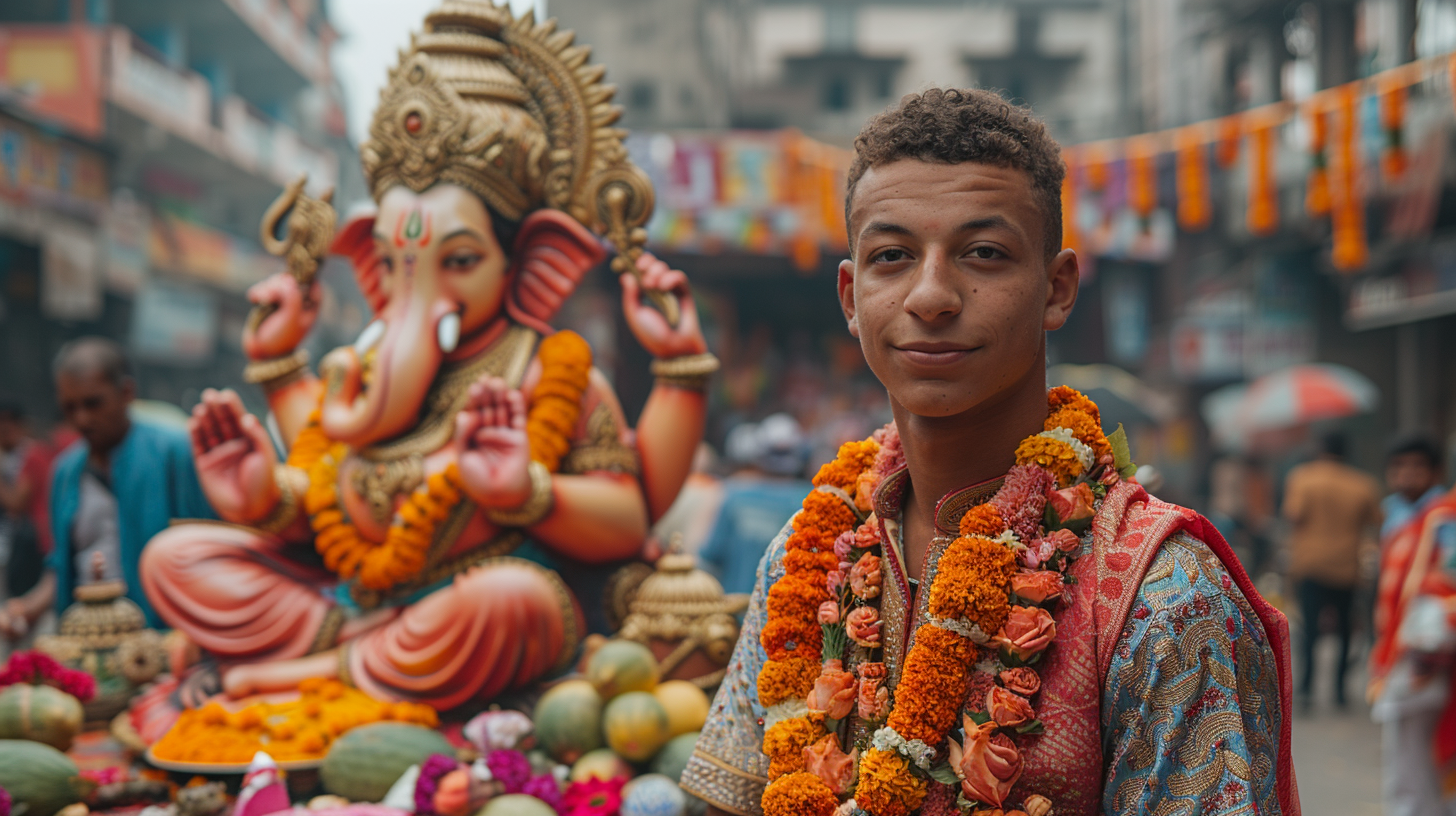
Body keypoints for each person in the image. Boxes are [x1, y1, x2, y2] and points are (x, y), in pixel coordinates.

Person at [680, 89, 1298, 816]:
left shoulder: (1163, 598)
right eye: (892, 256)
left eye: (984, 253)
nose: (933, 295)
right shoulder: (806, 557)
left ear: (1056, 288)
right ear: (851, 297)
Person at [0, 338, 214, 639]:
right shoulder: (65, 471)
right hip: (87, 643)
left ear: (126, 392)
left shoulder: (174, 452)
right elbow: (61, 566)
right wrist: (25, 609)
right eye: (69, 408)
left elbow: (210, 551)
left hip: (163, 640)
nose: (82, 419)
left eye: (93, 403)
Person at [1369, 483, 1456, 815]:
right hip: (1423, 655)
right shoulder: (1434, 519)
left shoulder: (1439, 519)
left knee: (1413, 757)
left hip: (1427, 655)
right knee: (1414, 753)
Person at [1282, 431, 1382, 709]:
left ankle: (1307, 688)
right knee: (1347, 630)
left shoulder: (1302, 478)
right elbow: (1376, 521)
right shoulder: (1363, 483)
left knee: (1310, 629)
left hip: (1310, 563)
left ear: (1320, 449)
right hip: (1347, 566)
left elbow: (1294, 515)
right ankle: (1339, 690)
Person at [700, 415, 813, 594]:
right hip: (789, 614)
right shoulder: (811, 500)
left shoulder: (734, 494)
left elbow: (711, 555)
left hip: (735, 611)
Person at [1381, 435, 1445, 542]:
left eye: (1418, 465)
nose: (1407, 472)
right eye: (1398, 464)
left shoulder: (1444, 509)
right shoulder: (1387, 508)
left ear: (1436, 472)